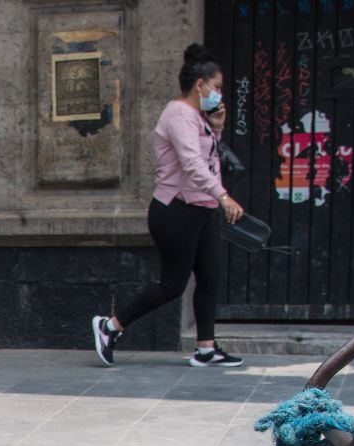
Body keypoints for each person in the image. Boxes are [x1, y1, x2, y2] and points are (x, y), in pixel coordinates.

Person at [93, 43, 246, 369]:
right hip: (176, 211)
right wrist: (224, 197)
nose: (220, 93)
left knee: (209, 276)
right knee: (172, 285)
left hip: (200, 209)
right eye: (217, 86)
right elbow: (191, 164)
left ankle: (206, 348)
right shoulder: (178, 115)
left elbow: (207, 158)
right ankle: (110, 326)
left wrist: (216, 127)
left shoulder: (196, 116)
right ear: (200, 84)